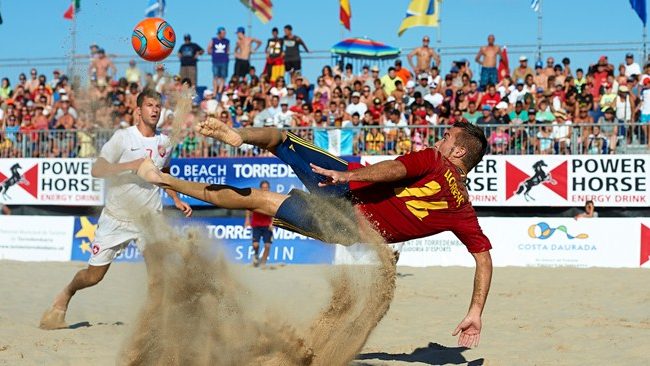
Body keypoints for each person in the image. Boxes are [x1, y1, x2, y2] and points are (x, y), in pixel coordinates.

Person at [137, 118, 493, 348]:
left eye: (447, 138)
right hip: (346, 228)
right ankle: (165, 179)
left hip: (345, 188)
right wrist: (475, 311)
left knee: (279, 137)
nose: (442, 140)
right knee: (259, 201)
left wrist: (347, 176)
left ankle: (237, 137)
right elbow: (483, 259)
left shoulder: (434, 159)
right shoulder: (463, 211)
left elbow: (394, 169)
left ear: (458, 151)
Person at [39, 90, 192, 330]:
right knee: (93, 277)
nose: (155, 110)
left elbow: (165, 173)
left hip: (149, 218)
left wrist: (176, 197)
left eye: (158, 106)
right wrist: (132, 165)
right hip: (116, 218)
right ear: (139, 110)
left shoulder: (164, 142)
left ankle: (154, 327)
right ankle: (66, 293)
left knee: (158, 275)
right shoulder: (123, 138)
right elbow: (97, 169)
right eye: (150, 105)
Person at [245, 180, 274, 267]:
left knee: (267, 245)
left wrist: (272, 223)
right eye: (263, 187)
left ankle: (263, 263)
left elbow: (274, 212)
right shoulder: (255, 198)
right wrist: (247, 220)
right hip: (256, 225)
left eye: (266, 187)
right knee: (255, 244)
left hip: (267, 225)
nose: (265, 189)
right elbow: (248, 208)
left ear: (268, 188)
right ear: (260, 188)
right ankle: (256, 256)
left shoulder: (271, 199)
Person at [208, 27, 230, 95]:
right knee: (215, 76)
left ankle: (220, 92)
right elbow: (209, 49)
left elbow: (228, 50)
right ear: (219, 33)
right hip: (216, 61)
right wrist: (214, 53)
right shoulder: (213, 40)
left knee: (223, 77)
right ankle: (215, 91)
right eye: (223, 33)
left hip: (224, 61)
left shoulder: (227, 41)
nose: (224, 34)